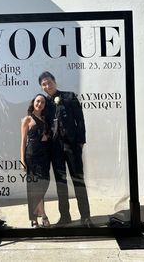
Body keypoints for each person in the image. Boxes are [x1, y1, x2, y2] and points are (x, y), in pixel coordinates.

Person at [38, 71, 92, 227]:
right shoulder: (43, 103)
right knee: (61, 183)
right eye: (44, 84)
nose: (47, 86)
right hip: (55, 149)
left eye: (49, 82)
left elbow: (79, 120)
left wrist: (80, 142)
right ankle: (65, 216)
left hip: (72, 146)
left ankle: (86, 217)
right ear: (42, 87)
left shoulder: (69, 96)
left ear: (55, 81)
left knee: (78, 180)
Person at [20, 94, 51, 228]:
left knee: (43, 184)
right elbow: (23, 141)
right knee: (33, 187)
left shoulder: (45, 119)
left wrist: (46, 136)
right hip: (31, 156)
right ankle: (38, 217)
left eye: (43, 102)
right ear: (33, 102)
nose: (40, 104)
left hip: (44, 156)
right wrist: (22, 160)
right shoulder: (27, 119)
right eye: (38, 101)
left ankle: (38, 214)